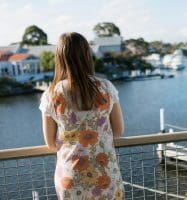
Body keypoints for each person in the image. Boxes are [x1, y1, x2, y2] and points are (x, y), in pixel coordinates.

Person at [39, 32, 125, 199]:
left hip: (70, 178)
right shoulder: (106, 88)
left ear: (59, 58)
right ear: (87, 55)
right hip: (105, 175)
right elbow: (119, 130)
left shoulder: (51, 94)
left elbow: (50, 143)